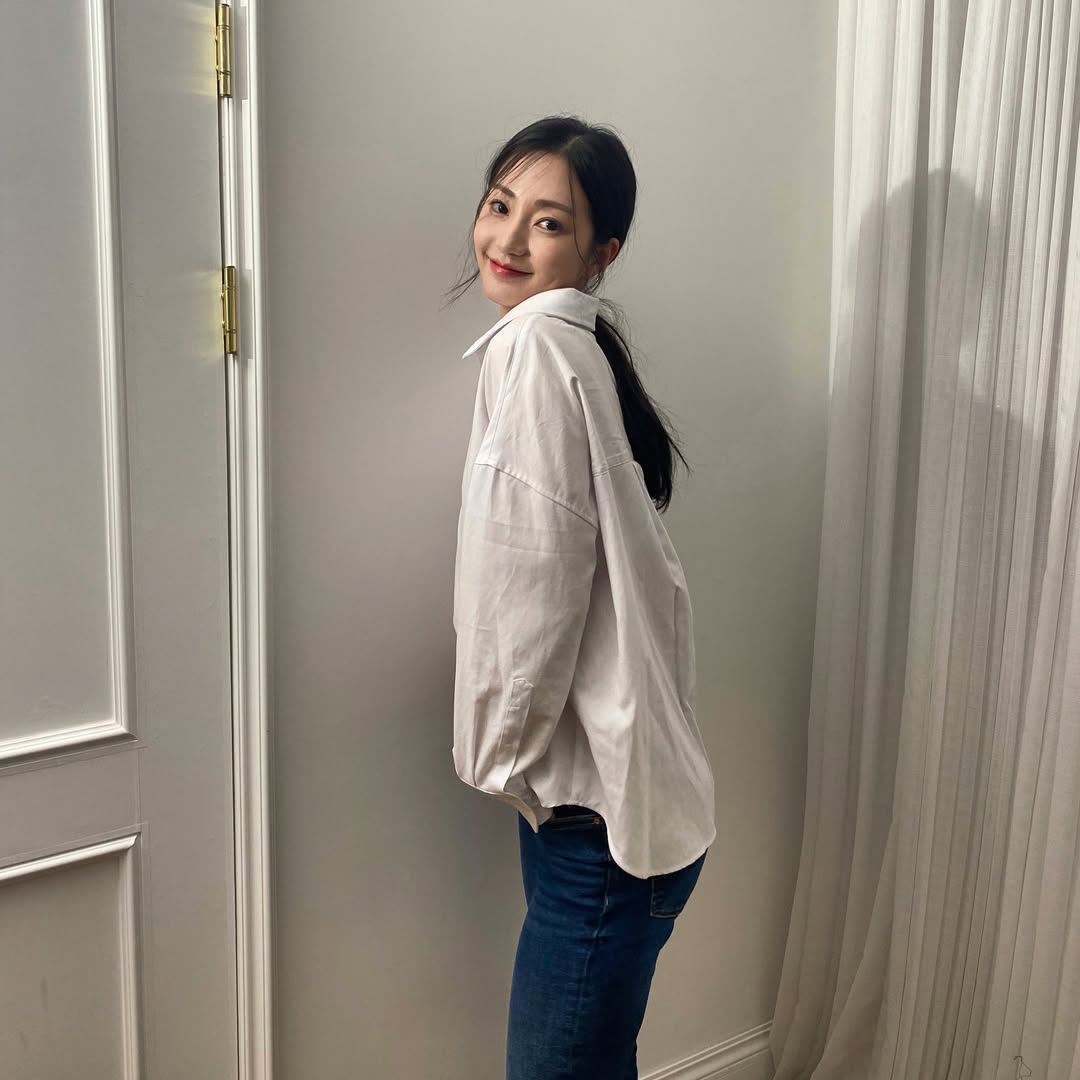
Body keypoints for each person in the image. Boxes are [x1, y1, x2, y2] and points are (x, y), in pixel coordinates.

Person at [445, 115, 716, 1080]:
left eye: (549, 223)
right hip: (617, 810)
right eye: (499, 206)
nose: (510, 239)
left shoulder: (535, 353)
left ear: (603, 253)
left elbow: (525, 591)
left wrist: (497, 761)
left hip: (597, 829)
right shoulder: (573, 350)